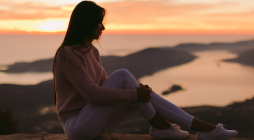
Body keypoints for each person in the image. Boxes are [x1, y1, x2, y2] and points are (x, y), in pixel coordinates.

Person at [53, 1, 238, 140]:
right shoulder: (67, 54)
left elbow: (103, 86)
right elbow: (93, 95)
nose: (103, 27)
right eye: (99, 23)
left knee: (132, 86)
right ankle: (179, 127)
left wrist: (136, 92)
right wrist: (134, 94)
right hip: (77, 127)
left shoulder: (91, 50)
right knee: (124, 76)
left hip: (94, 122)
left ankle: (184, 128)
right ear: (87, 24)